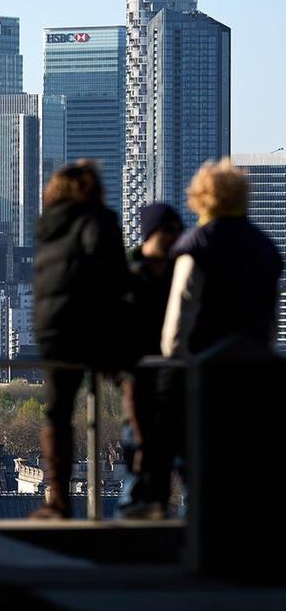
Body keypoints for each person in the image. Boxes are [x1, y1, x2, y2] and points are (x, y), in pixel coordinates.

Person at [151, 159, 283, 513]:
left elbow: (179, 319)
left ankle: (197, 544)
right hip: (255, 373)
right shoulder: (265, 247)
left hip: (205, 374)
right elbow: (270, 320)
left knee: (197, 465)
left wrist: (177, 362)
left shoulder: (197, 245)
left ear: (201, 197)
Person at [31, 160, 135, 519]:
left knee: (57, 412)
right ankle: (145, 476)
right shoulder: (97, 219)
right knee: (135, 380)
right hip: (88, 326)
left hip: (51, 330)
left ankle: (57, 498)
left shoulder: (48, 226)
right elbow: (113, 275)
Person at [117, 203, 183, 518]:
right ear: (152, 233)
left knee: (174, 459)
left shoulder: (180, 271)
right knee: (138, 457)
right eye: (169, 230)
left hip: (175, 381)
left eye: (178, 231)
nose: (175, 237)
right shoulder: (127, 273)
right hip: (138, 380)